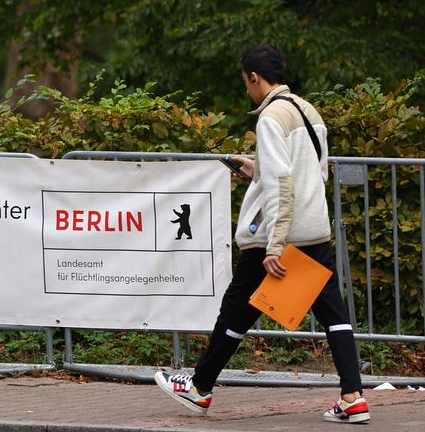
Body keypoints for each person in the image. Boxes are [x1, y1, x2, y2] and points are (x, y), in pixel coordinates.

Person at [155, 44, 369, 424]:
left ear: (254, 78)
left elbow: (284, 183)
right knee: (334, 314)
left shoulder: (270, 117)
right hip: (313, 229)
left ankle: (200, 388)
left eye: (245, 84)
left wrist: (274, 243)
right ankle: (353, 397)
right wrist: (255, 170)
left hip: (275, 234)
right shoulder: (308, 110)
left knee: (235, 311)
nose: (247, 91)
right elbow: (309, 174)